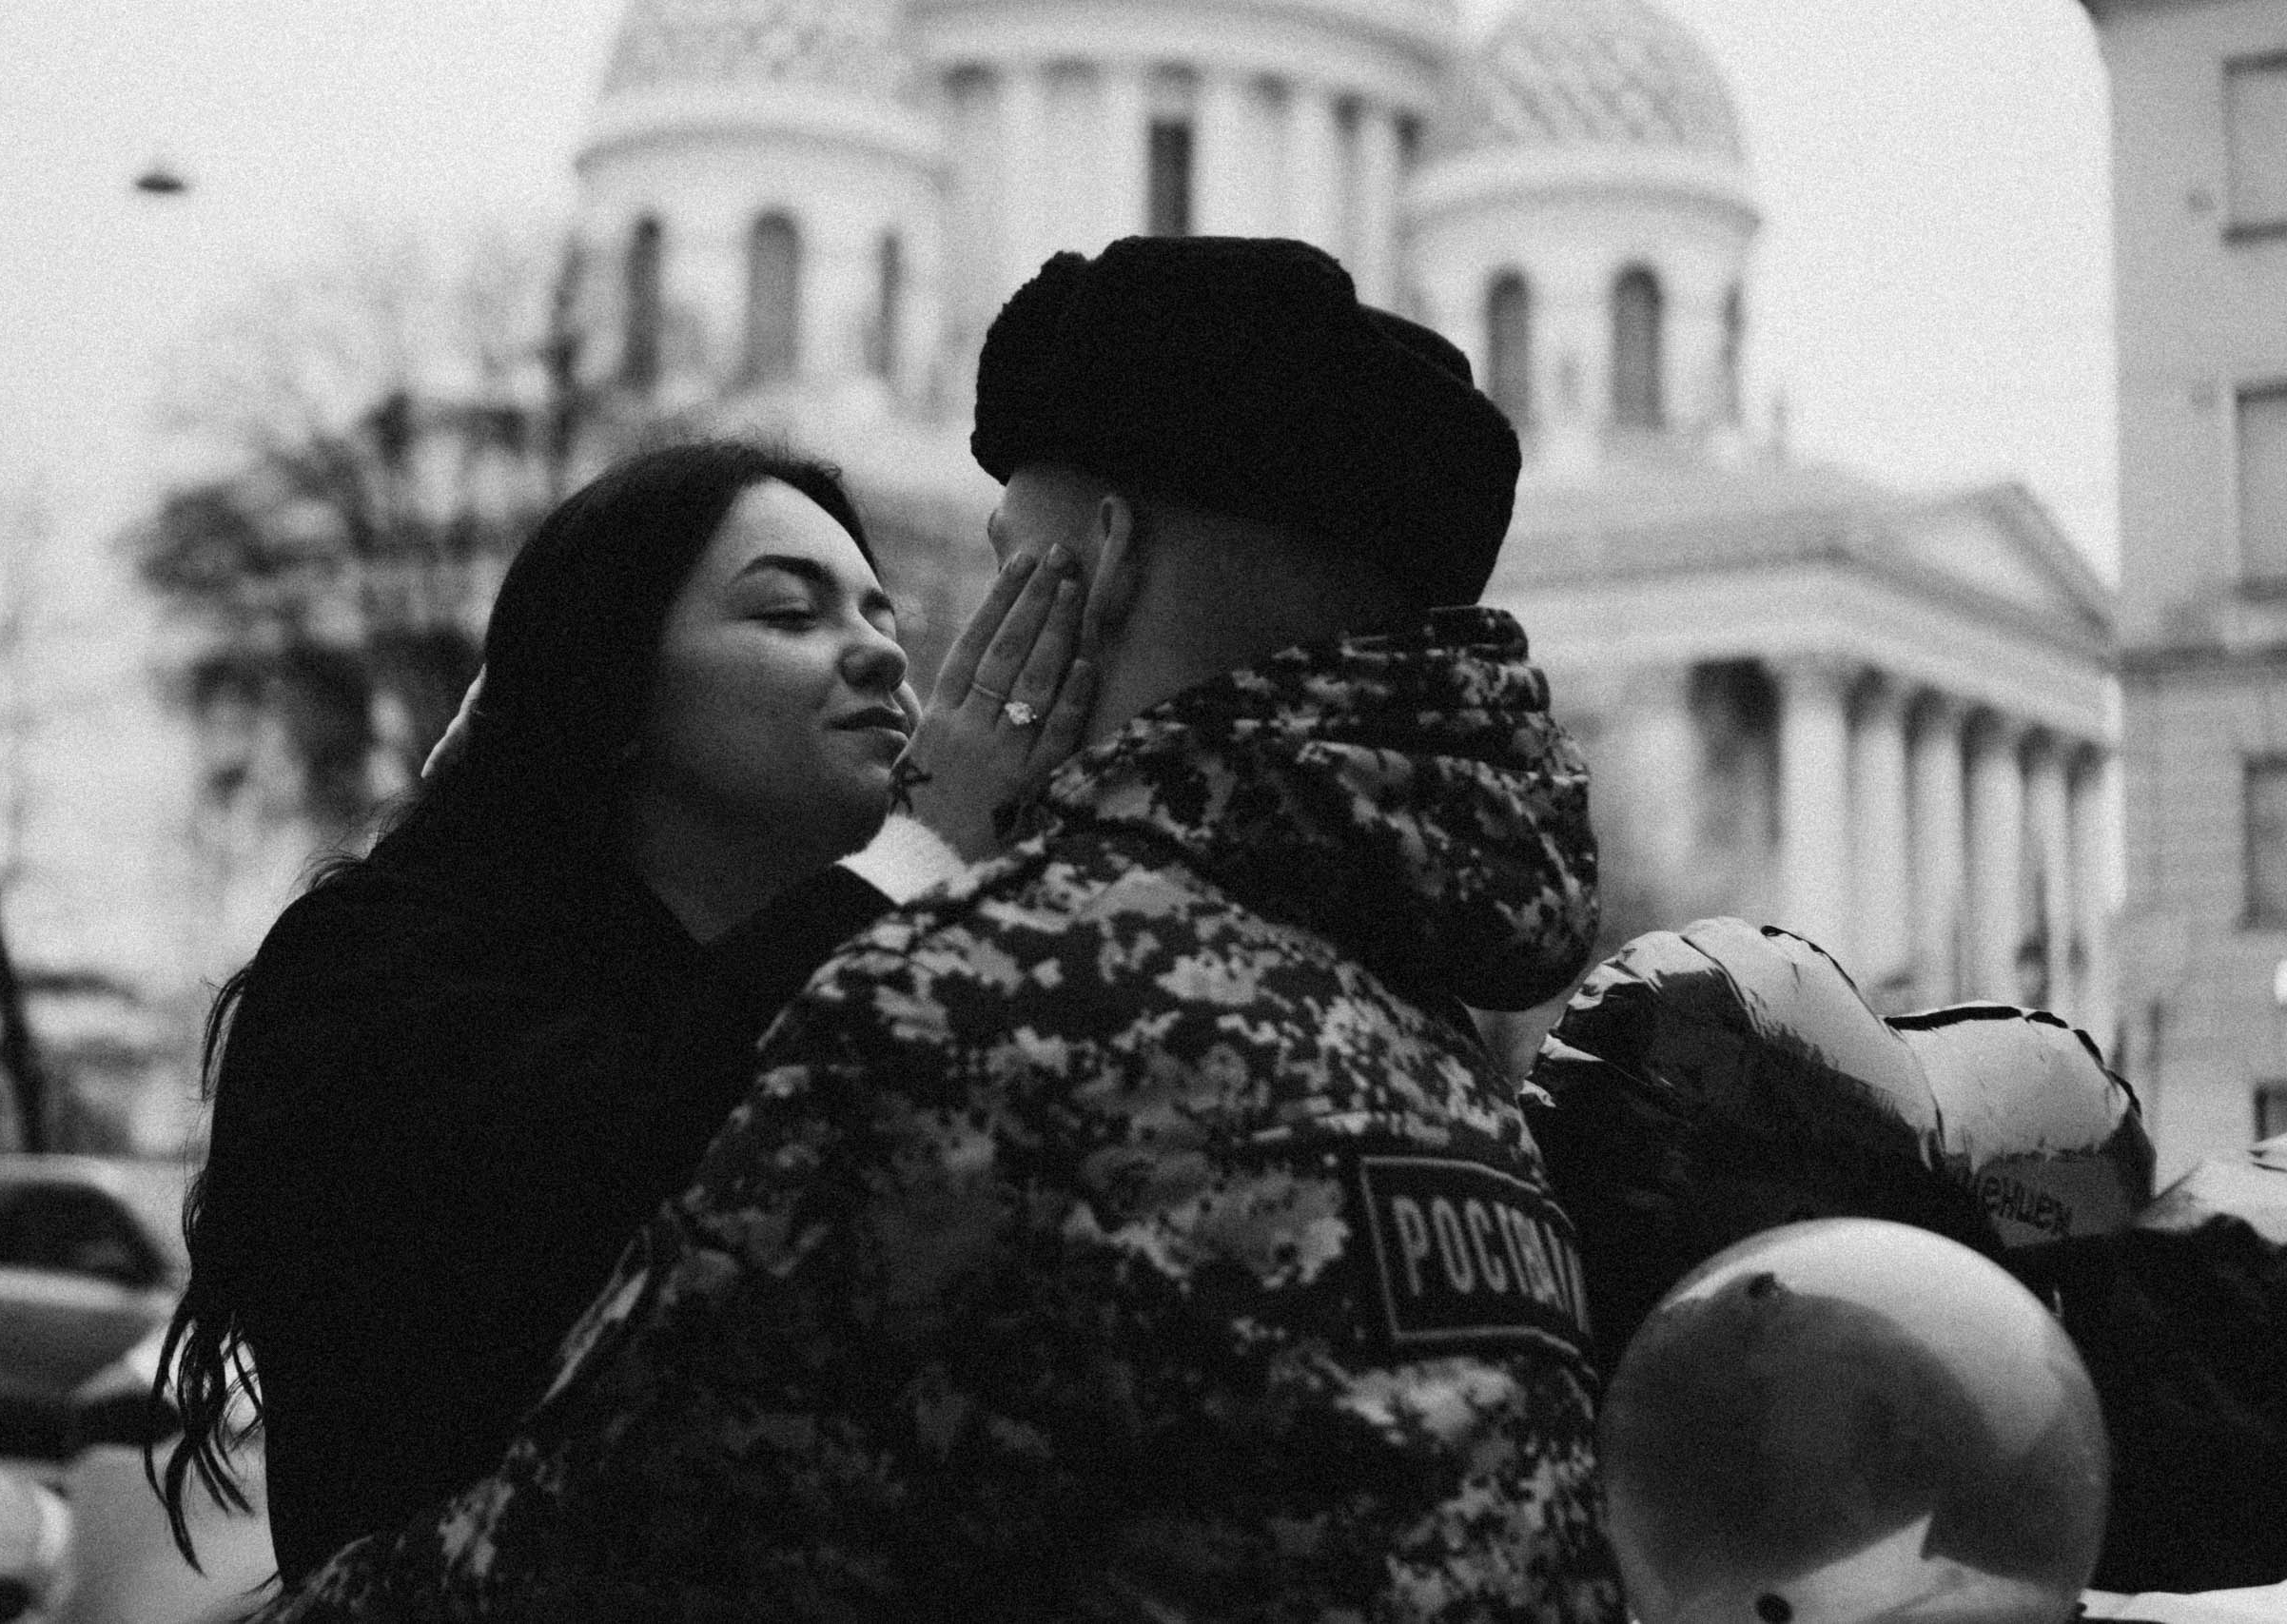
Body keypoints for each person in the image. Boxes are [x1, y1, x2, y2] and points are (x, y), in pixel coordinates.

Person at [256, 236, 1617, 1621]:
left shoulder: (989, 1003)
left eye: (1001, 562)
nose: (898, 650)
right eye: (789, 609)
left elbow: (603, 1556)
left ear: (1099, 564)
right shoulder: (1451, 1054)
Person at [155, 439, 1093, 1587]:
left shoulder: (882, 970)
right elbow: (603, 1186)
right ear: (613, 683)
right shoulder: (377, 969)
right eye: (790, 615)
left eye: (881, 617)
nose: (882, 655)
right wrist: (918, 856)